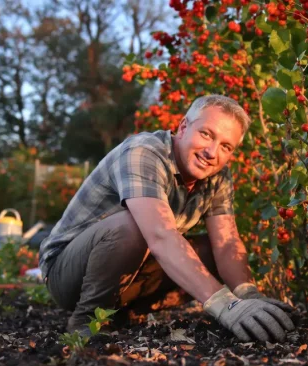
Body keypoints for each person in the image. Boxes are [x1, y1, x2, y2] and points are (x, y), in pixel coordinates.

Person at [38, 95, 294, 342]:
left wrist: (248, 295)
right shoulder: (144, 153)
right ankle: (87, 319)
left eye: (226, 146)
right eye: (206, 134)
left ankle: (124, 312)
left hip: (128, 275)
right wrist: (225, 305)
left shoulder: (217, 176)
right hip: (67, 274)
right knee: (134, 226)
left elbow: (226, 243)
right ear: (183, 127)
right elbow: (160, 235)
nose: (212, 152)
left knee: (208, 250)